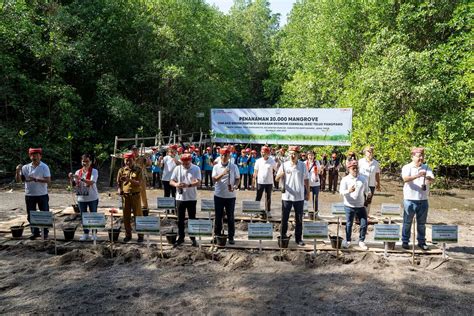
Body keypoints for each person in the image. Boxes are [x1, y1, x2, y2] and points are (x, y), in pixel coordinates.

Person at [275, 146, 309, 246]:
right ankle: (283, 236)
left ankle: (298, 239)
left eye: (294, 154)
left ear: (298, 155)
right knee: (284, 218)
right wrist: (280, 175)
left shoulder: (303, 165)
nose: (292, 156)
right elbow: (276, 179)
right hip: (287, 196)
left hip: (299, 197)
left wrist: (308, 192)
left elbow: (306, 180)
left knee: (299, 219)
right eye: (290, 154)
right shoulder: (284, 165)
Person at [401, 147, 434, 250]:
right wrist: (418, 175)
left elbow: (433, 180)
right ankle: (405, 241)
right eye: (418, 156)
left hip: (423, 200)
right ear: (412, 156)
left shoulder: (427, 167)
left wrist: (427, 177)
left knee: (421, 224)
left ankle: (421, 242)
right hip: (409, 199)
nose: (421, 158)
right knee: (407, 222)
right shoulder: (407, 167)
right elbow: (405, 179)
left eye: (422, 156)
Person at [15, 148, 51, 240]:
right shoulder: (25, 167)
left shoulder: (44, 167)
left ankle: (45, 232)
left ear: (40, 156)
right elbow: (19, 180)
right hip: (29, 195)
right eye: (32, 155)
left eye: (36, 155)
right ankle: (35, 232)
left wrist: (36, 179)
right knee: (31, 214)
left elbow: (48, 180)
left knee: (44, 213)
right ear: (30, 156)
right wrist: (17, 171)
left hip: (42, 194)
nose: (34, 157)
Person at [170, 153, 201, 247]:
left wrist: (189, 185)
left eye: (187, 162)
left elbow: (199, 182)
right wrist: (176, 185)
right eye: (184, 162)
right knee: (180, 219)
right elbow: (171, 181)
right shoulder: (177, 168)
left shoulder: (196, 168)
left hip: (191, 197)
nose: (185, 164)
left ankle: (193, 238)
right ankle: (181, 237)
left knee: (192, 219)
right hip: (180, 198)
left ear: (190, 160)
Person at [339, 160, 371, 250]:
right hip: (349, 205)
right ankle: (348, 241)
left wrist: (368, 193)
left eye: (356, 168)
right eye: (353, 168)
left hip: (360, 205)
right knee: (349, 224)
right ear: (349, 169)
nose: (355, 170)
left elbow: (367, 190)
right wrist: (348, 191)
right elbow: (341, 192)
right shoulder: (345, 179)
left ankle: (361, 241)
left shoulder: (363, 179)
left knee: (364, 223)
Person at [212, 147, 240, 245]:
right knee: (218, 216)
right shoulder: (216, 167)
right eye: (222, 155)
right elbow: (214, 179)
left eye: (226, 155)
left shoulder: (234, 166)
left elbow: (237, 178)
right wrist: (223, 173)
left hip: (230, 196)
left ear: (229, 156)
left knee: (230, 217)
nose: (224, 157)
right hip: (218, 195)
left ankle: (231, 237)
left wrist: (235, 186)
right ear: (220, 156)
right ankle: (217, 235)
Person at [68, 154, 99, 241]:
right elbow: (74, 184)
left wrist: (81, 178)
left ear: (91, 162)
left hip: (92, 197)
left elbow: (91, 182)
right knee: (83, 216)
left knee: (93, 215)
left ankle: (94, 233)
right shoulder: (78, 172)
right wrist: (71, 178)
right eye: (83, 161)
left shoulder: (94, 171)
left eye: (87, 161)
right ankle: (86, 233)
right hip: (81, 198)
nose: (85, 163)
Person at [117, 152, 144, 242]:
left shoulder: (138, 170)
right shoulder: (121, 170)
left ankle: (140, 235)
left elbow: (139, 183)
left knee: (138, 216)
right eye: (126, 160)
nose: (128, 162)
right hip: (125, 196)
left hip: (135, 195)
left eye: (129, 160)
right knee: (126, 216)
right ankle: (128, 235)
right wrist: (119, 190)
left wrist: (128, 179)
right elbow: (118, 183)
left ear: (133, 160)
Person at [254, 146, 278, 219]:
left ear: (268, 153)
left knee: (268, 197)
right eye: (262, 152)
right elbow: (255, 171)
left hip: (269, 182)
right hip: (260, 182)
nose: (262, 154)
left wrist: (278, 162)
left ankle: (268, 211)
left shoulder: (272, 161)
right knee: (258, 197)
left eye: (264, 152)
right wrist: (254, 181)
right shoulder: (258, 161)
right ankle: (256, 211)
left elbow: (276, 169)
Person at [358, 146, 381, 215]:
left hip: (371, 184)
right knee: (361, 200)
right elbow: (356, 172)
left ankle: (366, 215)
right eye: (368, 151)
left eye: (372, 151)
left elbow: (377, 174)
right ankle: (358, 216)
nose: (370, 152)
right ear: (365, 152)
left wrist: (378, 184)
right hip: (362, 184)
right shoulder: (360, 161)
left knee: (369, 200)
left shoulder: (376, 163)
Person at [131, 145, 151, 212]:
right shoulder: (130, 158)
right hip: (132, 177)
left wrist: (147, 158)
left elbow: (148, 164)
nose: (135, 151)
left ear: (138, 150)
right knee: (133, 192)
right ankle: (134, 205)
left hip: (141, 177)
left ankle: (145, 206)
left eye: (136, 150)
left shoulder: (142, 158)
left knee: (142, 192)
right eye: (133, 150)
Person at [161, 145, 180, 213]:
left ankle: (174, 209)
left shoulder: (177, 157)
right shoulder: (165, 157)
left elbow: (179, 164)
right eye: (171, 149)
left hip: (174, 179)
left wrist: (174, 158)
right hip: (166, 179)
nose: (172, 151)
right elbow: (160, 165)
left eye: (174, 149)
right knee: (167, 194)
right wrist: (160, 160)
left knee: (174, 194)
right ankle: (166, 209)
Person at [305, 150, 322, 215]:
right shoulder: (304, 163)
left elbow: (319, 171)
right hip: (307, 183)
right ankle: (305, 211)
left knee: (315, 198)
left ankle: (316, 212)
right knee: (306, 198)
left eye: (312, 155)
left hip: (315, 183)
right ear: (307, 156)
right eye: (309, 155)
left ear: (314, 156)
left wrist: (320, 170)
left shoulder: (317, 162)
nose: (310, 157)